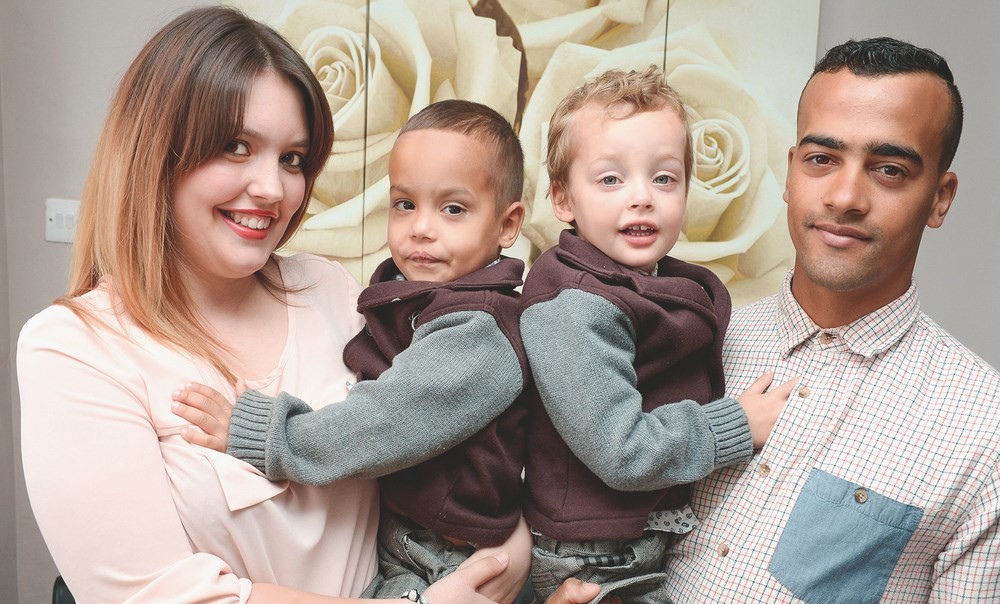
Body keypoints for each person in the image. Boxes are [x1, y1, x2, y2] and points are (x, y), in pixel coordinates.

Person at [16, 7, 520, 603]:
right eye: (236, 147)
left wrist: (514, 554)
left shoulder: (332, 291)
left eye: (292, 159)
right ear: (156, 152)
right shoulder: (74, 347)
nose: (272, 189)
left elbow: (456, 436)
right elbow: (159, 595)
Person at [663, 37, 1000, 602]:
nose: (845, 197)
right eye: (822, 159)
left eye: (889, 169)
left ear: (940, 198)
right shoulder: (695, 344)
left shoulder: (985, 431)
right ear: (791, 174)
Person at [172, 99, 534, 603]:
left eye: (453, 209)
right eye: (405, 204)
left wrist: (262, 433)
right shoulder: (410, 297)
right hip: (408, 537)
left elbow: (384, 420)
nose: (421, 227)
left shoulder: (479, 330)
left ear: (507, 225)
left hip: (445, 551)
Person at [518, 66, 795, 603]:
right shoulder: (572, 307)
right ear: (563, 199)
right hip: (594, 554)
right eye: (610, 179)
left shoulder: (642, 281)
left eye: (664, 178)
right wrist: (737, 423)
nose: (642, 197)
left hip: (635, 534)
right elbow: (622, 449)